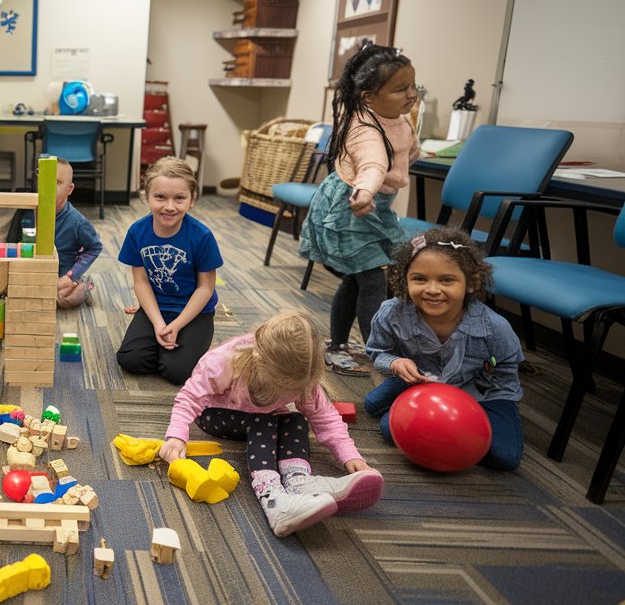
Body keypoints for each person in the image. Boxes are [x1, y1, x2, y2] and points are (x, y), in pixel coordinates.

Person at [158, 310, 384, 537]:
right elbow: (190, 398)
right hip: (215, 415)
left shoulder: (303, 374)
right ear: (259, 361)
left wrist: (351, 457)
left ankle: (299, 482)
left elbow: (324, 416)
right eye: (284, 386)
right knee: (264, 420)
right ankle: (274, 501)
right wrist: (177, 435)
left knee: (296, 419)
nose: (292, 393)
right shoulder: (224, 362)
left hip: (267, 414)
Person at [299, 43, 419, 373]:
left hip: (372, 206)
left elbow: (404, 149)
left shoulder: (399, 118)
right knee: (371, 280)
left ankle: (338, 343)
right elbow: (373, 164)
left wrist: (410, 157)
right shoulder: (364, 127)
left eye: (413, 86)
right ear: (369, 97)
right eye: (399, 89)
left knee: (356, 279)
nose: (410, 95)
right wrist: (365, 193)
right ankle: (378, 352)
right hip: (349, 205)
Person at [364, 227, 524, 470]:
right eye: (419, 279)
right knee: (381, 417)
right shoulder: (392, 313)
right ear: (404, 280)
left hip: (482, 393)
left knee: (504, 458)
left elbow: (506, 375)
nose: (432, 290)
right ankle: (401, 393)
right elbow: (377, 352)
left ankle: (405, 405)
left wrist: (468, 408)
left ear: (471, 283)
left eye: (446, 280)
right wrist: (395, 364)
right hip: (421, 380)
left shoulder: (494, 328)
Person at [115, 157, 222, 385]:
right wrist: (158, 323)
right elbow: (141, 281)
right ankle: (171, 346)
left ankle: (188, 345)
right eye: (160, 197)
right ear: (146, 197)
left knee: (177, 373)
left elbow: (205, 288)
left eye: (180, 198)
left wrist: (177, 325)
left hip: (195, 312)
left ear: (192, 199)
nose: (170, 206)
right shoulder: (137, 232)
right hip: (155, 306)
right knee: (130, 360)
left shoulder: (201, 236)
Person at [52, 158, 102, 308]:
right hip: (33, 273)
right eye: (45, 181)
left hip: (61, 278)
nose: (50, 188)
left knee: (65, 299)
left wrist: (70, 275)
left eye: (57, 183)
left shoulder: (77, 221)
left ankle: (84, 286)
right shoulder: (28, 212)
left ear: (69, 189)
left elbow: (95, 247)